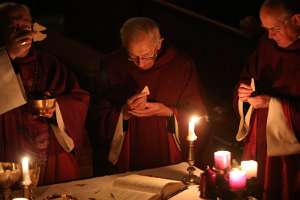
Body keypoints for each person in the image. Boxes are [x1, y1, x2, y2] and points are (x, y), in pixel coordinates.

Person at [89, 17, 207, 174]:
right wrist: (123, 113)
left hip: (166, 150)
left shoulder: (181, 65)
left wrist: (167, 111)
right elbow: (96, 112)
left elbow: (198, 113)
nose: (140, 63)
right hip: (128, 153)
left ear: (159, 43)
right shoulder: (112, 64)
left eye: (146, 55)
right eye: (133, 56)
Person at [0, 2, 90, 185]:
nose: (21, 32)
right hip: (7, 147)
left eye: (25, 26)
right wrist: (9, 55)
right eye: (13, 26)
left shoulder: (48, 63)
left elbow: (78, 98)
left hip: (49, 150)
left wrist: (56, 108)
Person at [235, 0, 300, 199]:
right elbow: (248, 75)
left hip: (291, 153)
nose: (270, 36)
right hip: (260, 138)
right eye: (266, 29)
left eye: (275, 29)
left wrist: (273, 104)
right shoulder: (266, 43)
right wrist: (244, 90)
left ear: (296, 20)